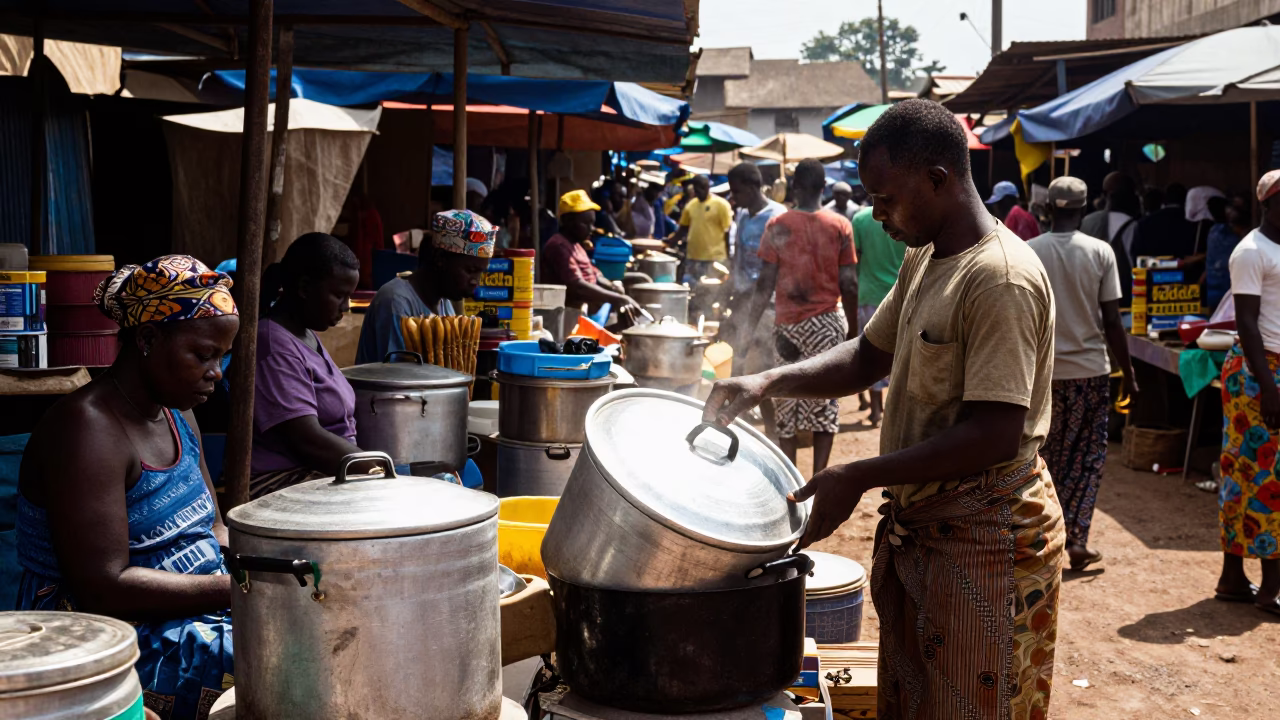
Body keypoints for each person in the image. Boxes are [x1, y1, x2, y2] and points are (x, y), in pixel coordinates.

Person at [704, 99, 1063, 718]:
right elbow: (868, 358)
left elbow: (995, 433)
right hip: (930, 529)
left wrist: (857, 474)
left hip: (987, 539)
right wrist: (766, 381)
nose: (876, 214)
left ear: (937, 181)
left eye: (886, 197)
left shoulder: (998, 278)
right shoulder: (926, 255)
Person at [17, 255, 238, 718]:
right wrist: (237, 589)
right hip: (106, 629)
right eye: (202, 354)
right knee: (260, 657)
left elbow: (212, 526)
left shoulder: (178, 413)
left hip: (200, 595)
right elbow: (105, 586)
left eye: (222, 356)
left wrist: (266, 566)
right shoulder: (87, 429)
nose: (216, 372)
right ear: (148, 338)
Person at [1029, 177, 1139, 571]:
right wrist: (1127, 371)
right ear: (1085, 205)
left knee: (1044, 458)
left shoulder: (1029, 251)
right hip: (1091, 373)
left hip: (1043, 376)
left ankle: (1043, 538)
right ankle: (1075, 540)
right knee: (1088, 459)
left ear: (1049, 208)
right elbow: (1113, 321)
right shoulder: (1100, 252)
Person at [739, 158, 857, 477]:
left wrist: (748, 331)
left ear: (795, 187)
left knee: (785, 399)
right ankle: (819, 478)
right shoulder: (840, 225)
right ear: (823, 188)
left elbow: (764, 284)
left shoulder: (778, 225)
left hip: (788, 327)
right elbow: (849, 283)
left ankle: (790, 478)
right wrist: (855, 330)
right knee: (824, 400)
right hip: (828, 324)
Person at [251, 233, 367, 498]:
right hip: (280, 482)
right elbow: (307, 440)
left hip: (325, 472)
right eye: (339, 295)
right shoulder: (272, 343)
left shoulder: (305, 335)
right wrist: (374, 466)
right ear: (304, 288)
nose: (345, 307)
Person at [1215, 169, 1280, 618]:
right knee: (1262, 477)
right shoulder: (1251, 251)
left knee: (1250, 472)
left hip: (1269, 372)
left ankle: (1233, 577)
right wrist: (1269, 387)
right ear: (1269, 203)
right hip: (1260, 372)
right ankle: (1271, 585)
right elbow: (1247, 323)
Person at [356, 209, 495, 364]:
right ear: (440, 259)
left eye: (480, 273)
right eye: (470, 271)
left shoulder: (445, 305)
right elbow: (396, 379)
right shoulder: (396, 301)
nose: (475, 281)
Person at [725, 162, 787, 375]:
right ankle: (738, 409)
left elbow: (781, 268)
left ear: (752, 188)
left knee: (762, 366)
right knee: (738, 363)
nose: (734, 197)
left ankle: (762, 408)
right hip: (742, 301)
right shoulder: (742, 215)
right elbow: (739, 257)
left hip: (767, 306)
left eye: (737, 191)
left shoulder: (777, 215)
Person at [542, 189, 642, 314]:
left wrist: (613, 288)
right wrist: (618, 299)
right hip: (566, 314)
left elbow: (595, 275)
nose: (591, 229)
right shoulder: (558, 246)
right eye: (585, 223)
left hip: (586, 310)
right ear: (567, 221)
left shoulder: (576, 244)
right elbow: (578, 286)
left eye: (592, 223)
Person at [852, 201, 906, 428]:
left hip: (870, 295)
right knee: (901, 356)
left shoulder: (860, 219)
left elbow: (854, 258)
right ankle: (898, 412)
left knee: (872, 354)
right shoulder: (905, 214)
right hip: (902, 292)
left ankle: (876, 410)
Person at [668, 174, 733, 285]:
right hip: (693, 257)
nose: (700, 190)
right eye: (698, 187)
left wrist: (728, 257)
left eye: (703, 186)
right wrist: (669, 242)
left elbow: (727, 232)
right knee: (692, 288)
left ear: (708, 186)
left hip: (714, 258)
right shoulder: (691, 205)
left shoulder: (721, 204)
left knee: (711, 290)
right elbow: (683, 229)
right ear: (694, 188)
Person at [1131, 183, 1201, 262]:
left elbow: (1138, 258)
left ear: (1165, 199)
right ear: (1186, 200)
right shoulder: (1195, 223)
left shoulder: (1144, 223)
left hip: (1153, 270)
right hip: (1187, 271)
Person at [1207, 194, 1249, 311]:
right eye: (1230, 206)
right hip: (1217, 290)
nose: (1230, 211)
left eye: (1236, 209)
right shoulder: (1216, 232)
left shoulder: (1250, 241)